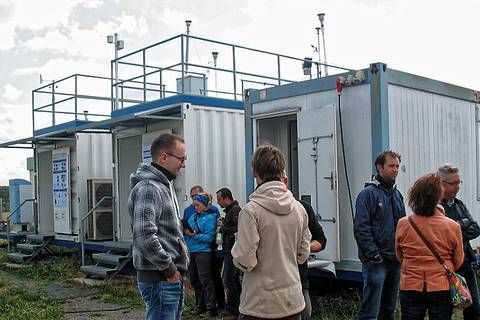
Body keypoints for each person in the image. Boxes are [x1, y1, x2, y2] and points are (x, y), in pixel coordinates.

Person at [232, 144, 311, 320]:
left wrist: (236, 252)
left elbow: (245, 260)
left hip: (259, 304)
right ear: (282, 171)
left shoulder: (250, 211)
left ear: (254, 172)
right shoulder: (299, 209)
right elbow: (303, 255)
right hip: (292, 301)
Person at [128, 133, 188, 320]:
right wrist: (170, 270)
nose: (183, 164)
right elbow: (145, 236)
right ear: (163, 157)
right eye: (181, 158)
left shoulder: (163, 185)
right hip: (160, 279)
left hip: (166, 279)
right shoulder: (149, 188)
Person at [396, 173, 464, 319]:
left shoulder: (403, 224)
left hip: (410, 285)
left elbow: (399, 255)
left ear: (415, 196)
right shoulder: (452, 226)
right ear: (438, 197)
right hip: (441, 285)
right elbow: (458, 261)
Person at [353, 150, 406, 320]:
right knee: (370, 312)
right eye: (391, 166)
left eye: (397, 166)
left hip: (395, 261)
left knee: (389, 310)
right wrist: (374, 255)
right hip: (377, 262)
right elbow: (361, 228)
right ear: (379, 167)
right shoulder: (367, 194)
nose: (395, 170)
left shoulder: (397, 195)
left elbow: (403, 226)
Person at [281, 172, 327, 320]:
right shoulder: (256, 210)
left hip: (299, 280)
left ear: (285, 181)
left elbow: (321, 240)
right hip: (273, 287)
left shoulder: (302, 208)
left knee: (305, 314)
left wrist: (304, 247)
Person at [438, 163, 480, 319]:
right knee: (444, 310)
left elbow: (475, 228)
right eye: (453, 183)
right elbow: (442, 236)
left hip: (466, 261)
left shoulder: (459, 204)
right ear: (441, 183)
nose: (457, 187)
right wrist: (462, 225)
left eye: (458, 183)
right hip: (447, 265)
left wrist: (455, 227)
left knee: (474, 307)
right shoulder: (435, 207)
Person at [182, 186, 225, 315]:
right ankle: (200, 305)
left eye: (197, 205)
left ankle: (211, 307)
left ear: (204, 204)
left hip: (203, 252)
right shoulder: (193, 217)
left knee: (205, 279)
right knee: (195, 279)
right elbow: (188, 231)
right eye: (194, 205)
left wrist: (194, 235)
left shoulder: (211, 217)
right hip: (192, 251)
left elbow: (210, 237)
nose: (195, 207)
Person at [216, 187, 242, 318]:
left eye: (219, 199)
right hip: (228, 249)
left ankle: (234, 310)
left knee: (230, 280)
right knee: (231, 280)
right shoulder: (229, 212)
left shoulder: (235, 210)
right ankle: (234, 308)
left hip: (233, 251)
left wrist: (222, 229)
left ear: (227, 198)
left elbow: (239, 228)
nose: (218, 202)